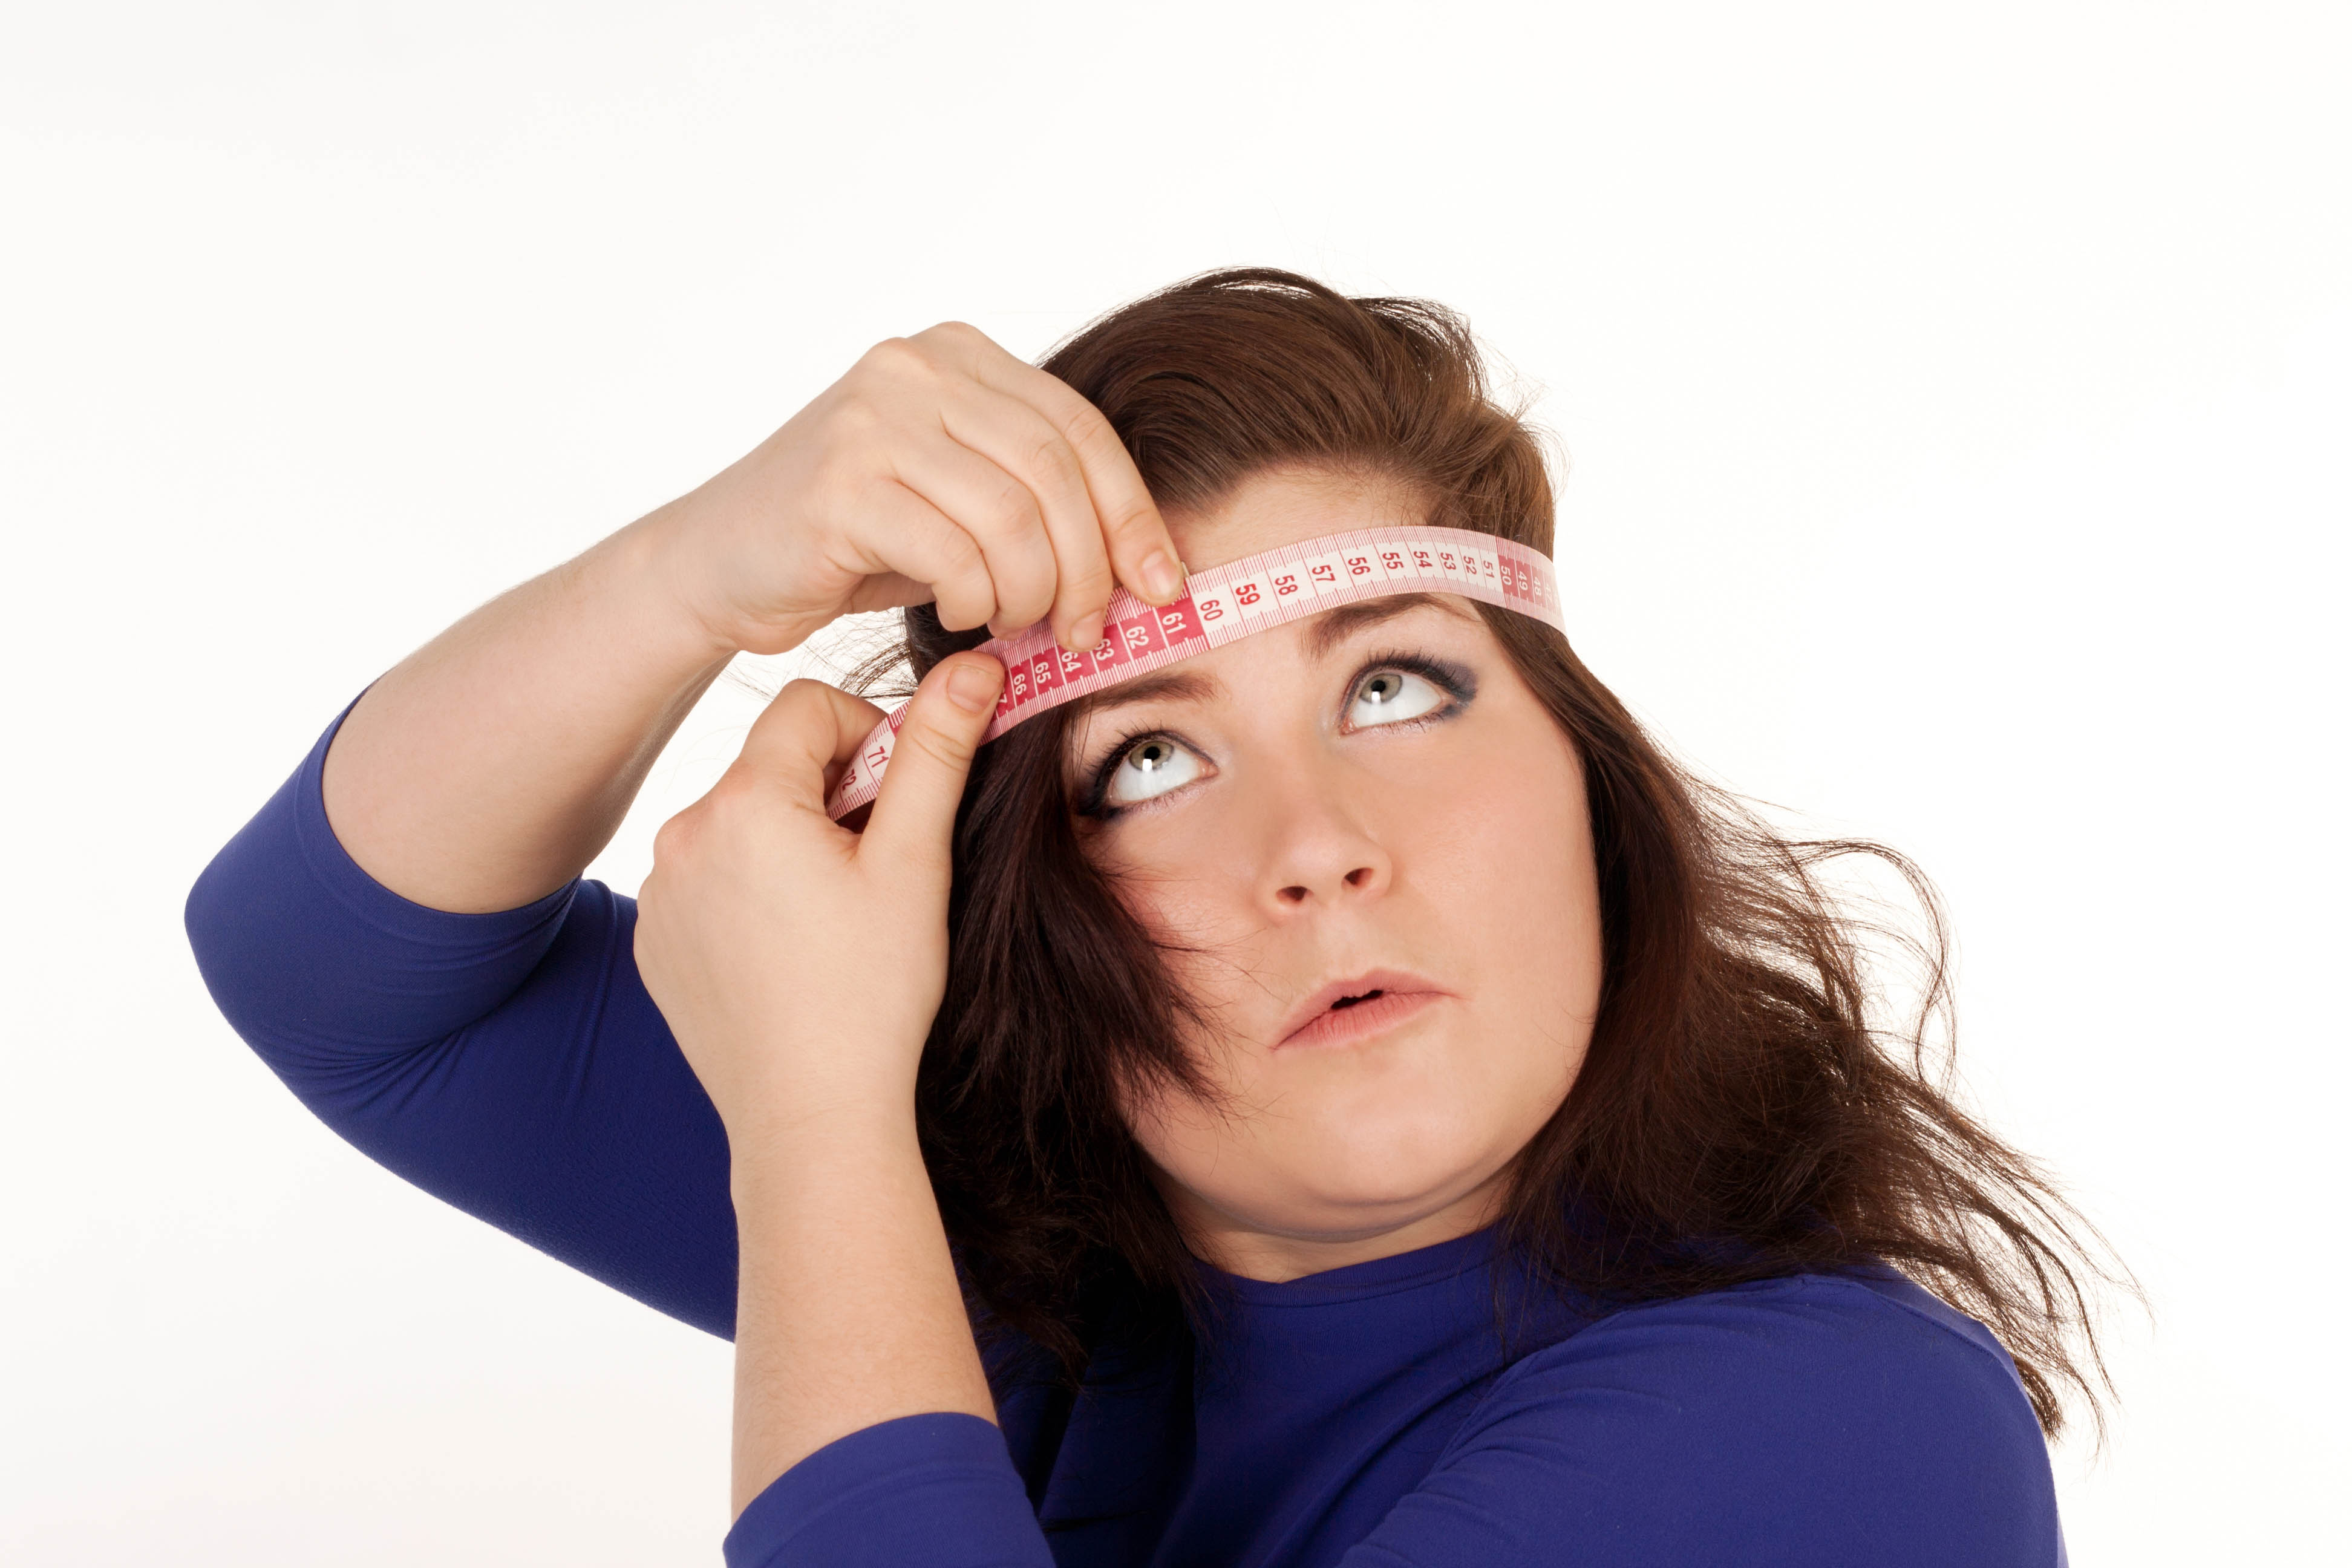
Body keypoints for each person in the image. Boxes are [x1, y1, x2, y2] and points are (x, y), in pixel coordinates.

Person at [187, 269, 2109, 1566]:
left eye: (1396, 688)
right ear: (1026, 928)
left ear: (1590, 787)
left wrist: (812, 1125)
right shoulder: (1048, 1296)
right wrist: (703, 568)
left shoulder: (1845, 1432)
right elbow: (343, 969)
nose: (1317, 844)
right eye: (1148, 766)